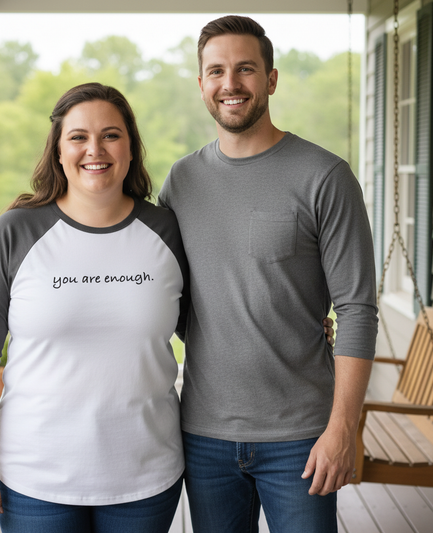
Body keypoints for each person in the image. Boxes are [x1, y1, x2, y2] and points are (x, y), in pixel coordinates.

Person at [157, 15, 378, 533]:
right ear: (202, 84)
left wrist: (342, 427)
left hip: (302, 436)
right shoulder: (182, 180)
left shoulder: (325, 176)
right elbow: (138, 263)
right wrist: (20, 224)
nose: (230, 84)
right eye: (216, 71)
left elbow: (357, 309)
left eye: (245, 69)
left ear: (271, 79)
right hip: (204, 435)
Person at [0, 82, 191, 533]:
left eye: (111, 135)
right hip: (33, 481)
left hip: (146, 476)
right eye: (78, 137)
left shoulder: (167, 230)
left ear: (131, 149)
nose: (94, 149)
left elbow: (208, 324)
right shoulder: (13, 233)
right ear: (58, 152)